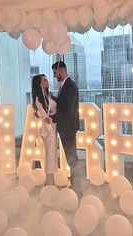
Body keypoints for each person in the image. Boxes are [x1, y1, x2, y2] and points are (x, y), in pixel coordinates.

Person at [51, 61, 80, 190]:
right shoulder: (65, 85)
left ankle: (77, 186)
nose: (54, 76)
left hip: (68, 128)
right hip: (66, 127)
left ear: (61, 71)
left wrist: (52, 118)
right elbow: (63, 104)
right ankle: (76, 184)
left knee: (72, 157)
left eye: (55, 73)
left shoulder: (70, 86)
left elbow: (67, 109)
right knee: (70, 157)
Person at [32, 74, 58, 185]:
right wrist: (48, 118)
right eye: (44, 80)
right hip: (47, 130)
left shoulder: (49, 96)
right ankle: (50, 182)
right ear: (40, 84)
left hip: (53, 127)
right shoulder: (39, 98)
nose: (47, 81)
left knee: (52, 154)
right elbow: (43, 114)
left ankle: (51, 180)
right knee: (49, 155)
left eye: (46, 79)